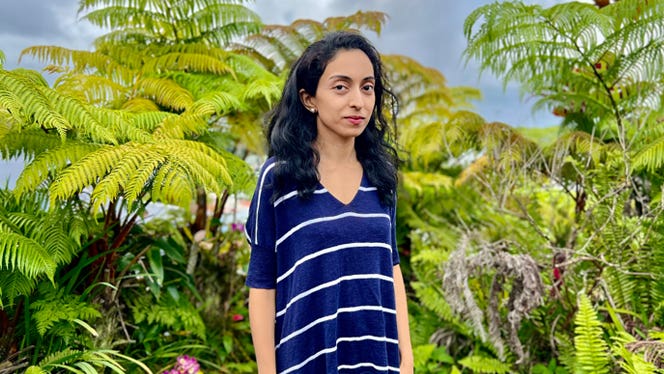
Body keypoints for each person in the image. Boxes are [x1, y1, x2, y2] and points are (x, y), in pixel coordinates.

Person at [244, 30, 413, 374]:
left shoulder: (382, 177)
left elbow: (391, 268)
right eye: (341, 86)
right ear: (309, 99)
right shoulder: (279, 177)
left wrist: (406, 359)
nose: (358, 101)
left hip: (377, 360)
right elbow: (262, 284)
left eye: (367, 87)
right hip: (304, 360)